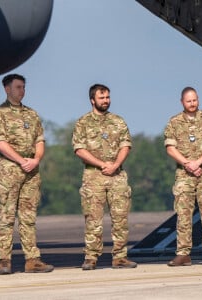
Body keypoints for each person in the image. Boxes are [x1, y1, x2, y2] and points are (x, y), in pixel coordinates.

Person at [72, 83, 137, 270]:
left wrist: (115, 164)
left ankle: (120, 257)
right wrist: (102, 165)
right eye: (102, 98)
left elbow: (126, 145)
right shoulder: (83, 123)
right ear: (93, 100)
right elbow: (79, 149)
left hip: (117, 175)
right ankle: (91, 257)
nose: (106, 101)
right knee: (93, 219)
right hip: (94, 176)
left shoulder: (118, 121)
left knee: (121, 218)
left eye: (108, 97)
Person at [0, 74, 54, 275]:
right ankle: (3, 260)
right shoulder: (1, 113)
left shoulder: (32, 114)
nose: (22, 91)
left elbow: (40, 141)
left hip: (31, 169)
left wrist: (36, 159)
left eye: (23, 87)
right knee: (5, 215)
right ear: (7, 89)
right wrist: (21, 161)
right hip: (9, 169)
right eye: (18, 87)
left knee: (28, 216)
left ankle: (32, 259)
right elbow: (1, 143)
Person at [164, 86, 202, 266]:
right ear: (182, 102)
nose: (192, 103)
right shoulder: (174, 122)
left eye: (195, 100)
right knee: (183, 214)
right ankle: (183, 253)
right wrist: (187, 163)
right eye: (189, 101)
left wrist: (198, 162)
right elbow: (170, 148)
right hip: (184, 174)